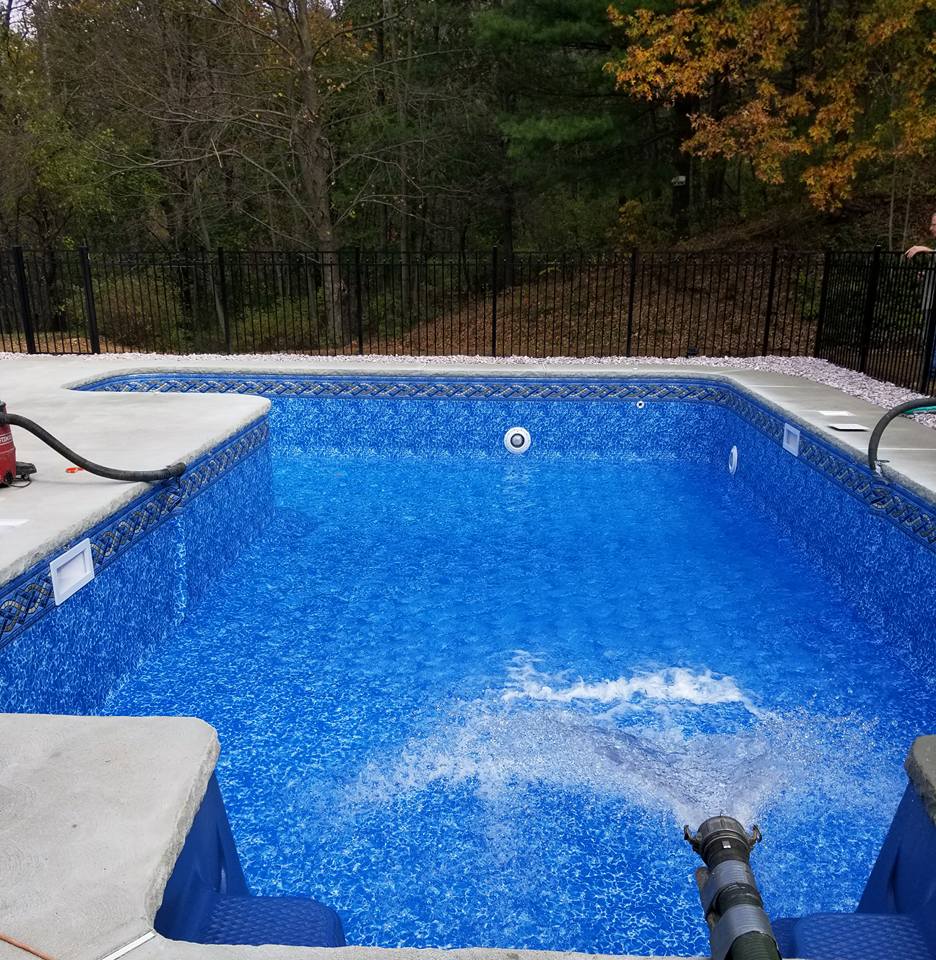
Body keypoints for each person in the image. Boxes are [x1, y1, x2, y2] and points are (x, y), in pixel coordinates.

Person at [906, 211, 936, 378]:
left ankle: (931, 374)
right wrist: (926, 275)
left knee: (933, 338)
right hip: (930, 301)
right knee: (929, 338)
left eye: (934, 224)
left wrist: (925, 249)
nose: (931, 228)